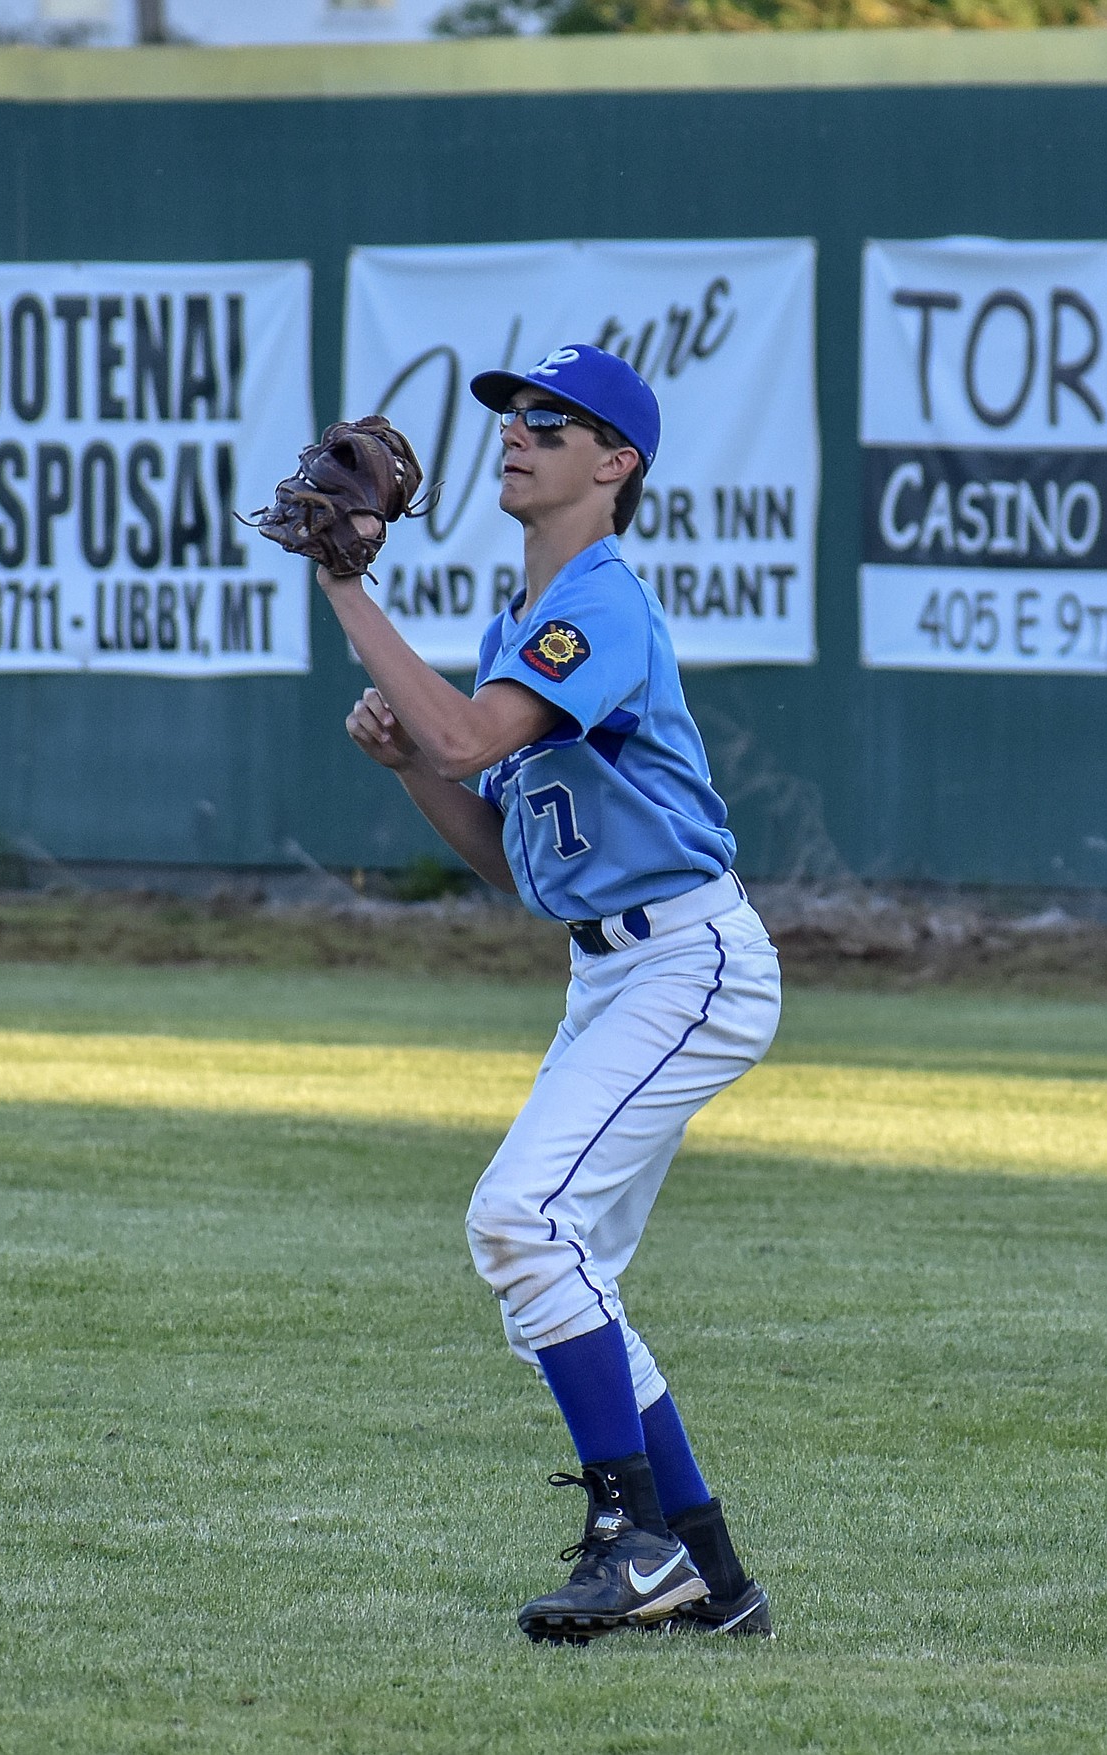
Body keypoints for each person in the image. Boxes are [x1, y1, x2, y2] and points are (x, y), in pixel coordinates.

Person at [316, 344, 781, 1644]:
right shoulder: (517, 631)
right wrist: (415, 765)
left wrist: (347, 589)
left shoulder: (601, 605)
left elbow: (472, 732)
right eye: (513, 417)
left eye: (551, 422)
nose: (515, 434)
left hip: (687, 961)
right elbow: (506, 851)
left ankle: (627, 1542)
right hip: (612, 970)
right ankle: (710, 1575)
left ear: (613, 463)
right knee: (562, 1284)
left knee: (520, 1223)